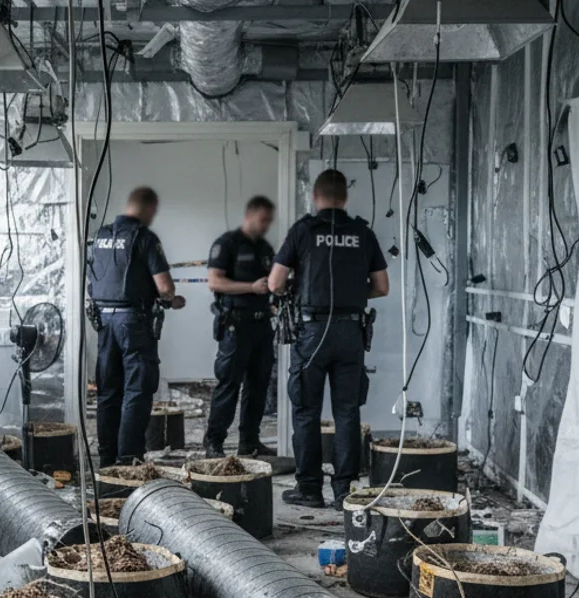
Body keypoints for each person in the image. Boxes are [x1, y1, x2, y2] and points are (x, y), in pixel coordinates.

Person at [269, 169, 389, 508]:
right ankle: (343, 491)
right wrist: (351, 294)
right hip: (351, 332)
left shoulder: (304, 231)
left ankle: (309, 489)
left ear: (315, 196)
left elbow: (275, 284)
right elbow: (381, 287)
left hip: (312, 333)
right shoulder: (363, 234)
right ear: (344, 198)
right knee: (347, 412)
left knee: (306, 411)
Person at [87, 187, 186, 467]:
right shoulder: (144, 237)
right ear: (149, 209)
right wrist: (172, 299)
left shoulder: (101, 236)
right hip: (134, 324)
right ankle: (128, 458)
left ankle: (106, 459)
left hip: (104, 323)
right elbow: (165, 288)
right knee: (137, 390)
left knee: (108, 392)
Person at [203, 196, 277, 458]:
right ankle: (214, 442)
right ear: (250, 214)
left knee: (258, 386)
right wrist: (250, 287)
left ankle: (249, 442)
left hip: (261, 324)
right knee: (229, 384)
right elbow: (214, 282)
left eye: (269, 220)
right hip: (236, 324)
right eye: (263, 219)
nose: (267, 225)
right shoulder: (227, 244)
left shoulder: (266, 248)